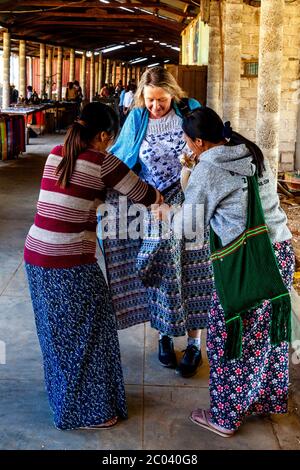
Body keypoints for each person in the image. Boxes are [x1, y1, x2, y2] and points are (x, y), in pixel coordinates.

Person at [155, 106, 295, 436]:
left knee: (229, 339)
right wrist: (194, 175)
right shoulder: (251, 150)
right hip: (279, 253)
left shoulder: (209, 169)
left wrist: (165, 212)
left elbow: (186, 227)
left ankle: (225, 417)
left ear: (199, 141)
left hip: (246, 263)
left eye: (189, 143)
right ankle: (264, 401)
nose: (188, 149)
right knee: (265, 335)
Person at [24, 102, 162, 430]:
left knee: (58, 334)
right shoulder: (103, 162)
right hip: (68, 263)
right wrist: (164, 196)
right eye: (110, 139)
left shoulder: (57, 152)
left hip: (35, 256)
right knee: (92, 334)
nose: (110, 144)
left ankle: (66, 400)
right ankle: (91, 412)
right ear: (103, 135)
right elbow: (144, 194)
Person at [102, 66, 214, 378]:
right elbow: (120, 160)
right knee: (160, 271)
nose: (155, 106)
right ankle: (164, 336)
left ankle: (194, 344)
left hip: (190, 201)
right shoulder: (137, 118)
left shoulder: (190, 111)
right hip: (153, 204)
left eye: (161, 100)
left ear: (173, 94)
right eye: (149, 101)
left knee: (194, 270)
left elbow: (211, 149)